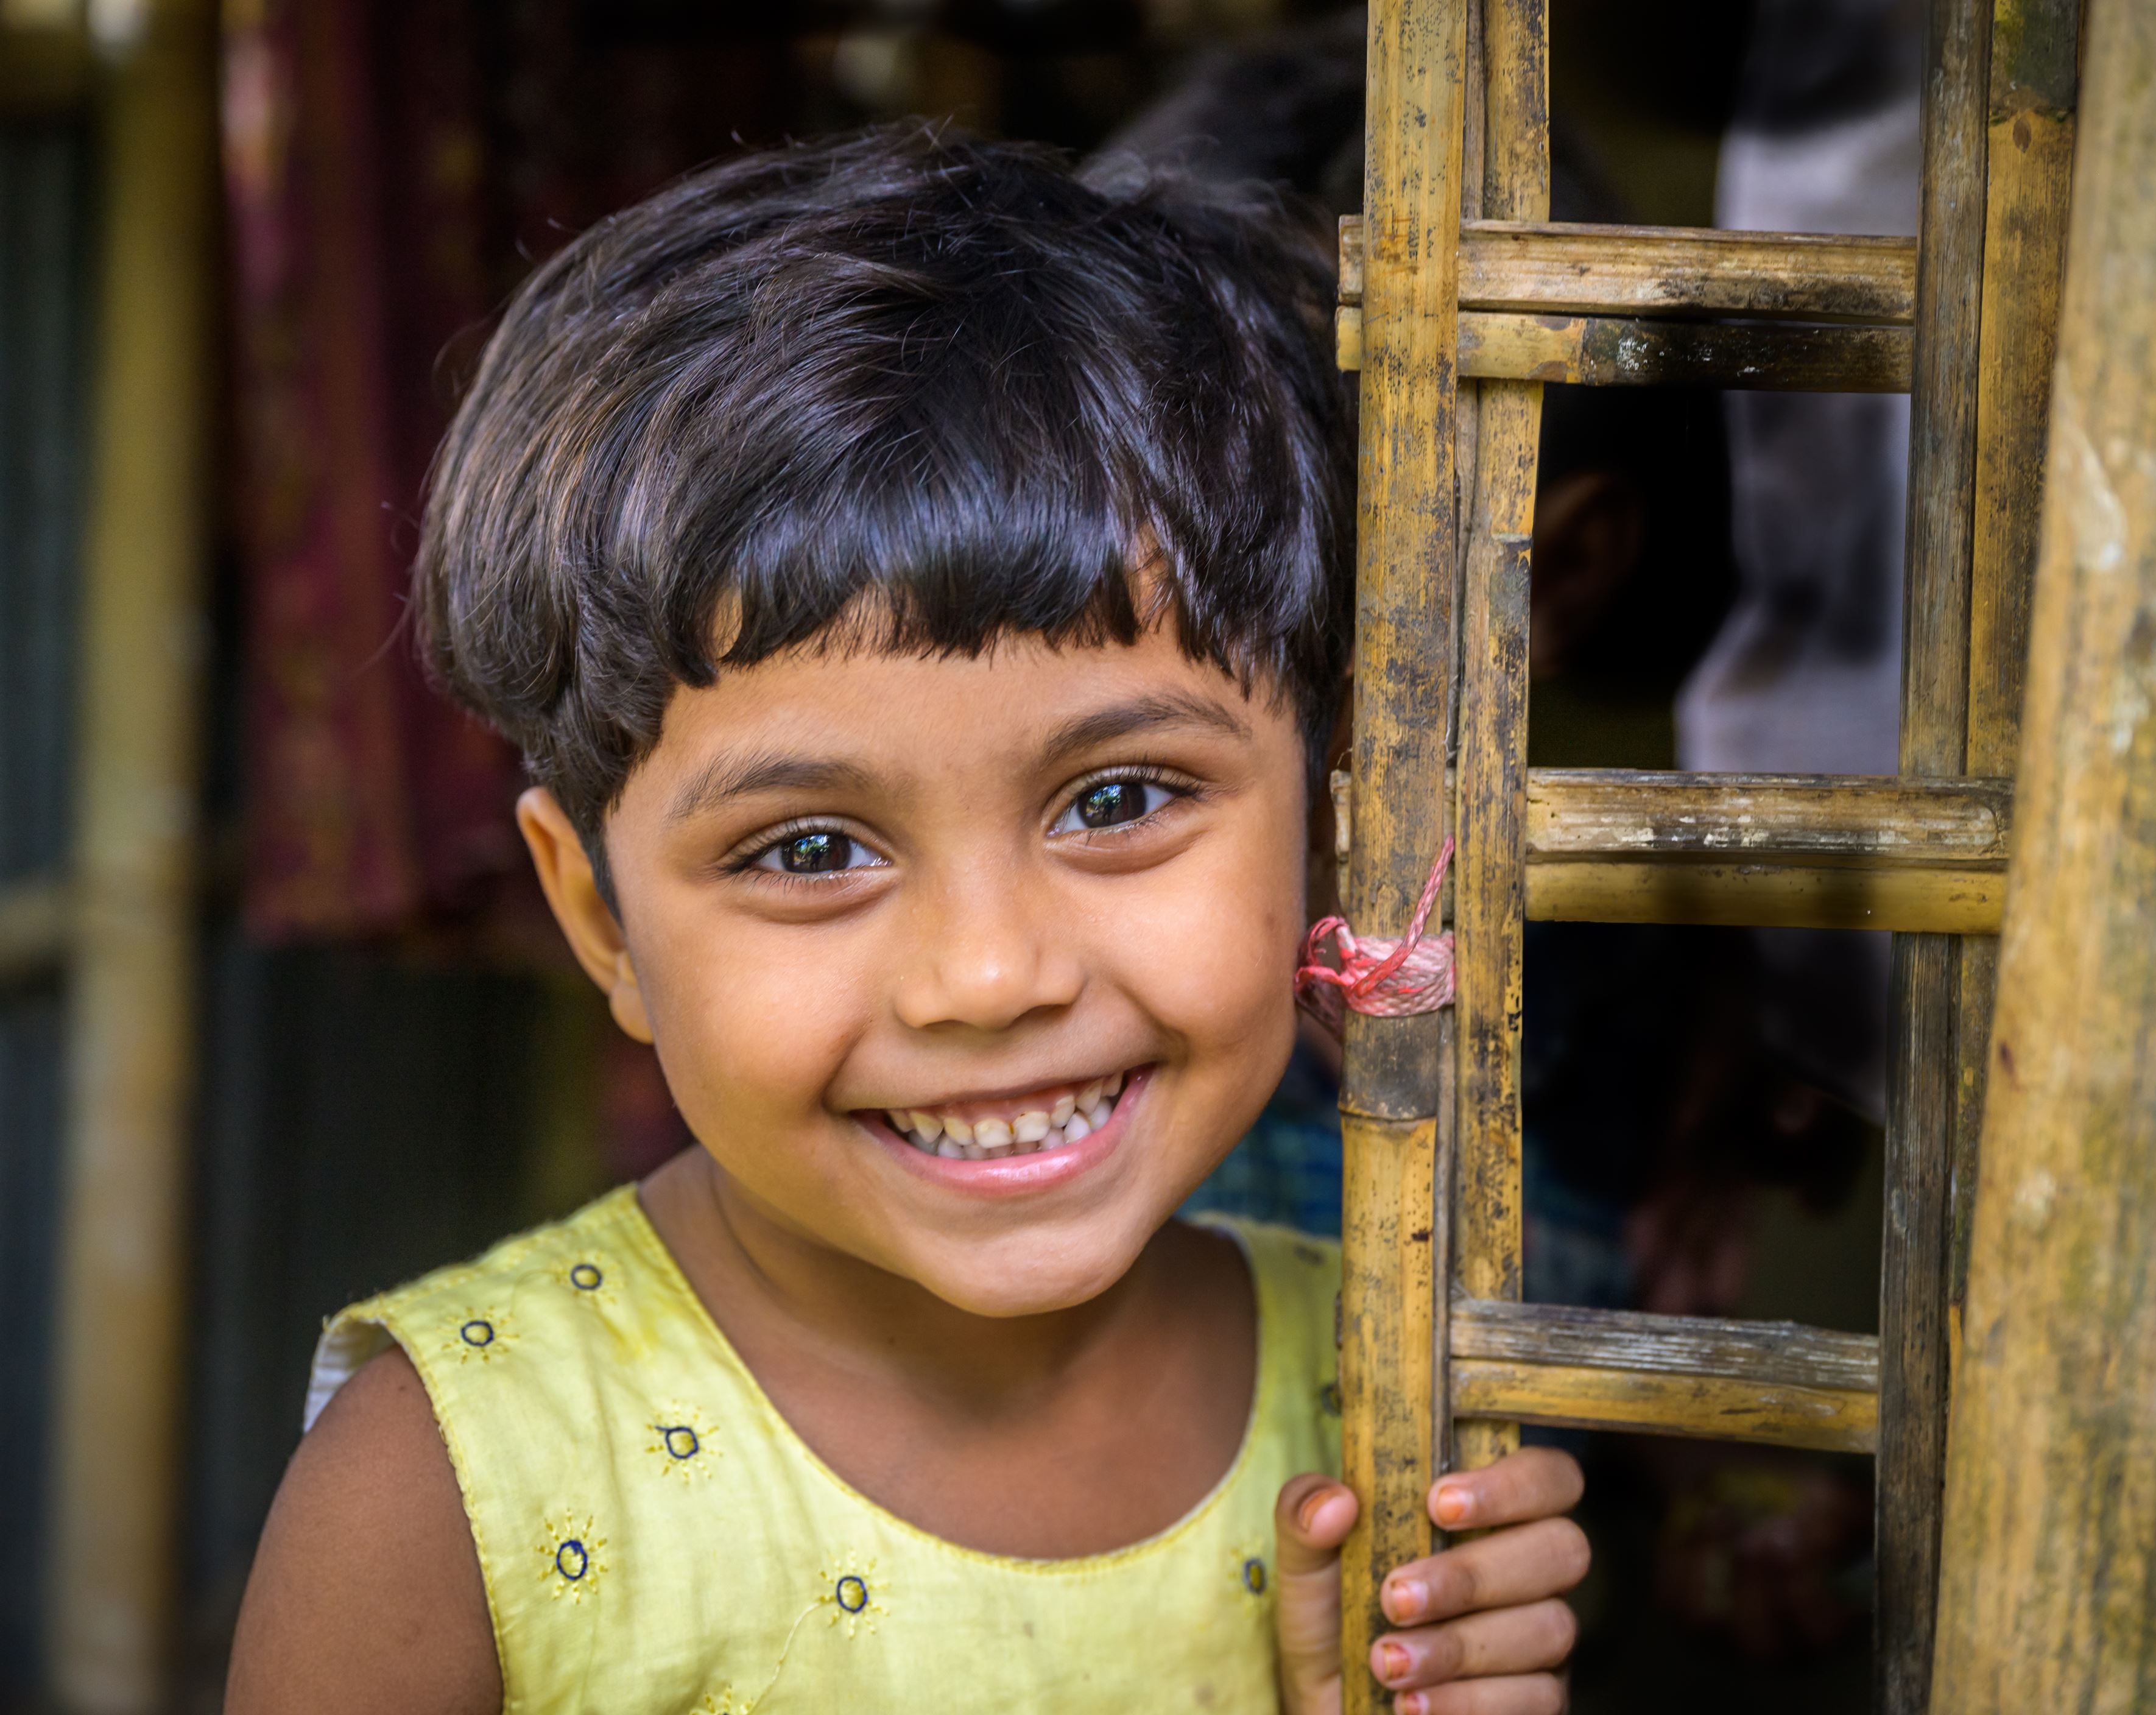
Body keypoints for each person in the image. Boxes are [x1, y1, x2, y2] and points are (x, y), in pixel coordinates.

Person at [224, 125, 1588, 1715]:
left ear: (1338, 811)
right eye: (810, 848)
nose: (987, 976)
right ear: (597, 918)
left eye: (1119, 800)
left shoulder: (1400, 1404)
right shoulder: (445, 1493)